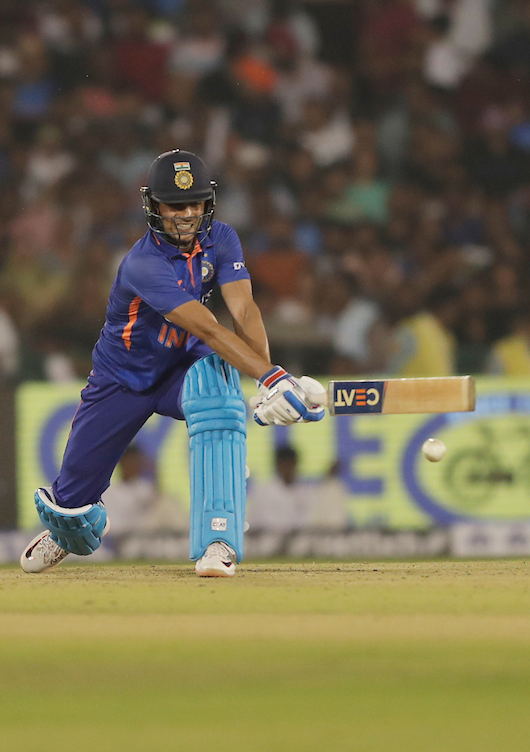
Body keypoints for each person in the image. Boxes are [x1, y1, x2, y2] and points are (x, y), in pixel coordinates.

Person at [20, 150, 325, 578]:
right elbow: (212, 329)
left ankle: (218, 541)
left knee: (218, 402)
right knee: (73, 513)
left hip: (182, 365)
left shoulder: (223, 239)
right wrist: (271, 375)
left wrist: (268, 384)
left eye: (194, 204)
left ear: (208, 204)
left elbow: (244, 311)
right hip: (122, 378)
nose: (185, 214)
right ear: (154, 207)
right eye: (175, 205)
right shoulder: (143, 264)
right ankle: (64, 529)